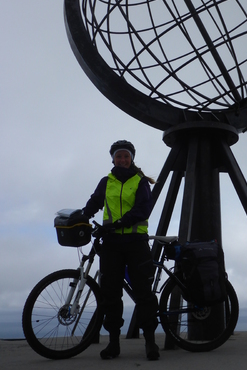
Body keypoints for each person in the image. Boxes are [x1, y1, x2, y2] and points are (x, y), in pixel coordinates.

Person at [82, 140, 159, 361]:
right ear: (113, 159)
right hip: (112, 244)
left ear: (132, 158)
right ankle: (113, 343)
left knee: (143, 293)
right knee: (110, 294)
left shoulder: (140, 181)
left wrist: (120, 223)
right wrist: (82, 216)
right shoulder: (107, 182)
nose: (123, 160)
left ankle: (151, 342)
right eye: (119, 156)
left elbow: (143, 209)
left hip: (136, 243)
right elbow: (95, 202)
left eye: (126, 156)